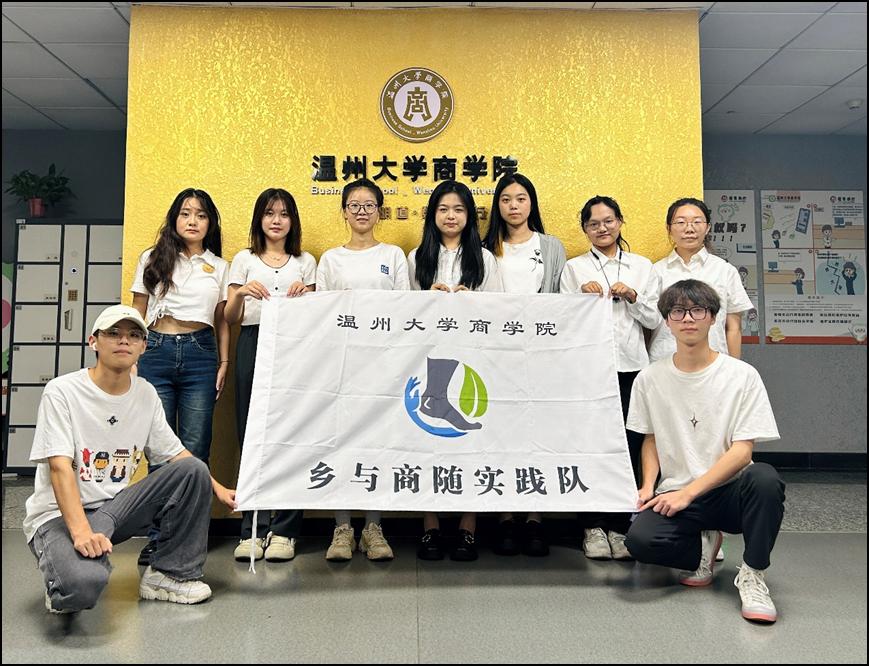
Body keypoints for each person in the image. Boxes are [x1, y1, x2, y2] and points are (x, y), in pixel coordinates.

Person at [23, 305, 237, 613]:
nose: (124, 340)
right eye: (114, 333)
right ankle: (66, 576)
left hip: (113, 509)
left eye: (134, 335)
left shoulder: (145, 393)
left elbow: (177, 454)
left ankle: (167, 575)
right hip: (58, 516)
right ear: (93, 341)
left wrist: (218, 488)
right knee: (81, 586)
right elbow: (59, 467)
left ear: (143, 347)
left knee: (193, 469)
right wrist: (82, 533)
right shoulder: (62, 391)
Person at [624, 280, 785, 624]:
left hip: (729, 491)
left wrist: (690, 493)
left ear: (713, 318)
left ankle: (753, 573)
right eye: (678, 312)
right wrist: (648, 486)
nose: (688, 319)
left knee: (764, 479)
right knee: (639, 541)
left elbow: (743, 452)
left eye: (698, 310)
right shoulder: (649, 378)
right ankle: (702, 548)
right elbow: (651, 439)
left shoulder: (742, 376)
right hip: (677, 491)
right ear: (667, 321)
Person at [131, 188, 230, 565]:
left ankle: (189, 537)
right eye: (186, 213)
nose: (192, 221)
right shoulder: (151, 258)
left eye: (201, 215)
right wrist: (133, 358)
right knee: (159, 451)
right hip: (155, 350)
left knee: (195, 449)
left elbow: (222, 320)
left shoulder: (219, 266)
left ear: (210, 223)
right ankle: (159, 538)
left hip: (201, 354)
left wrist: (224, 362)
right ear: (175, 219)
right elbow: (137, 311)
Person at [560, 195, 661, 561]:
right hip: (588, 369)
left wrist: (632, 296)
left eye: (608, 221)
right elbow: (560, 322)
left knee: (629, 446)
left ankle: (620, 526)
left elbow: (655, 319)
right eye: (593, 224)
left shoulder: (642, 266)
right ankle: (592, 526)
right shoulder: (573, 268)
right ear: (584, 229)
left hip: (631, 367)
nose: (602, 228)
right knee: (590, 444)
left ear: (620, 222)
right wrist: (580, 299)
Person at [409, 180, 503, 562]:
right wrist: (426, 301)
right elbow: (402, 311)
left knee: (470, 443)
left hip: (472, 357)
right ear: (432, 214)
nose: (451, 216)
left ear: (470, 216)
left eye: (459, 209)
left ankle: (468, 526)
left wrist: (472, 302)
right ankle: (430, 526)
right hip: (427, 355)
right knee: (424, 440)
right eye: (444, 209)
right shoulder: (416, 257)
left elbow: (500, 312)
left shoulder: (485, 258)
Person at [316, 177, 408, 562]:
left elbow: (405, 310)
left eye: (369, 205)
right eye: (354, 205)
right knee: (341, 441)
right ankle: (342, 528)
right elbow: (321, 314)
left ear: (379, 211)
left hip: (382, 364)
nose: (362, 211)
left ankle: (373, 527)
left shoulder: (394, 255)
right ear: (344, 212)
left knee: (378, 443)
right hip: (342, 364)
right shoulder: (330, 260)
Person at [225, 188, 316, 563]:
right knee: (251, 434)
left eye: (284, 214)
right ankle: (253, 528)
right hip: (253, 342)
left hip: (295, 347)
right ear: (258, 219)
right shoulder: (243, 259)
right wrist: (240, 294)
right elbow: (230, 317)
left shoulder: (306, 261)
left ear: (293, 221)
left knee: (293, 434)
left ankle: (286, 530)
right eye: (269, 213)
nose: (276, 220)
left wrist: (306, 296)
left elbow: (318, 316)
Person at [484, 172, 565, 557]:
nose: (513, 206)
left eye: (520, 198)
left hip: (539, 354)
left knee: (537, 434)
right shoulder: (485, 247)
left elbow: (561, 302)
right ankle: (504, 516)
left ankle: (534, 517)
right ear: (497, 206)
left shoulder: (550, 247)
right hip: (495, 355)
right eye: (506, 199)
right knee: (499, 433)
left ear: (531, 203)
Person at [648, 198, 752, 362]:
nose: (689, 229)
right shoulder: (655, 271)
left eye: (697, 222)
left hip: (714, 365)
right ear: (669, 229)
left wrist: (734, 369)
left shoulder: (725, 271)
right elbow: (648, 323)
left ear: (708, 227)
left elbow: (734, 328)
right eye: (681, 222)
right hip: (664, 362)